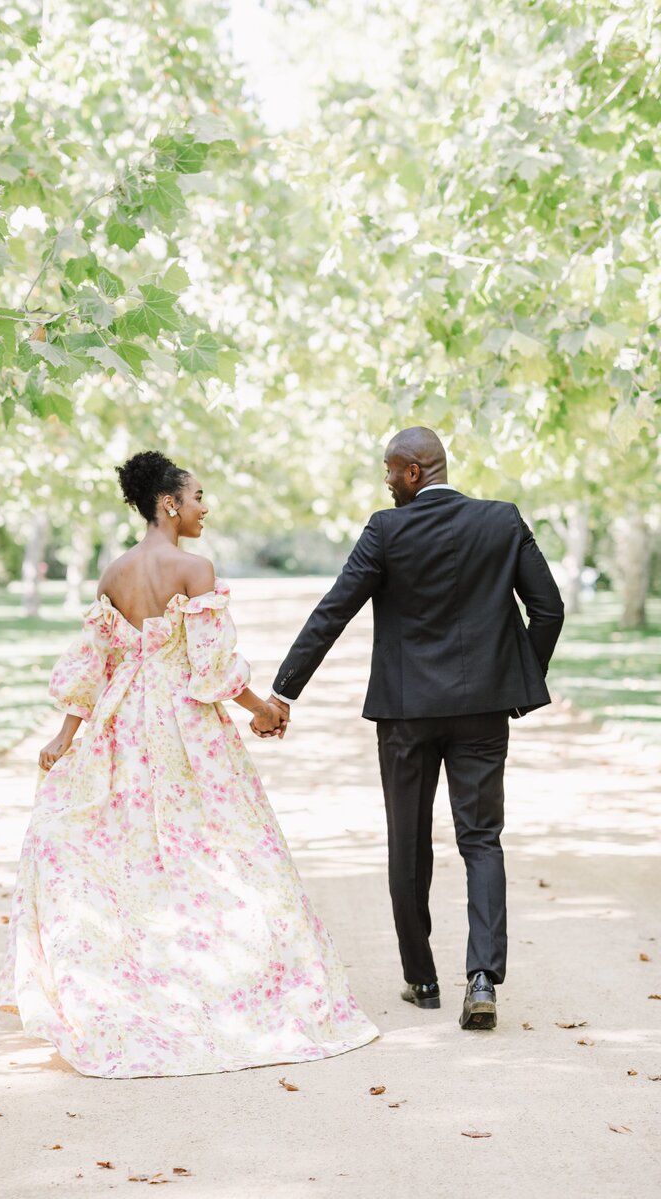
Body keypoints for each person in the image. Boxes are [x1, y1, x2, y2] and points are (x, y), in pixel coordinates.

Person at [0, 451, 378, 1078]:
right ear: (168, 504)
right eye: (198, 497)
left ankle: (147, 979)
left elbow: (100, 664)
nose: (206, 507)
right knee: (224, 846)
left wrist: (67, 736)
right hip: (182, 724)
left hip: (124, 723)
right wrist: (265, 709)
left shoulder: (113, 573)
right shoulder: (194, 568)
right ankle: (229, 982)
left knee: (133, 853)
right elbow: (212, 669)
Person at [265, 427, 564, 1031]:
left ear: (410, 471)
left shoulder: (386, 529)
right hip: (482, 711)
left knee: (408, 840)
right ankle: (482, 978)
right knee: (481, 838)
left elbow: (335, 609)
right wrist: (516, 682)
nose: (384, 480)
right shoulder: (502, 520)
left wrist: (282, 690)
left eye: (387, 469)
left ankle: (421, 977)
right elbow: (549, 608)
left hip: (405, 714)